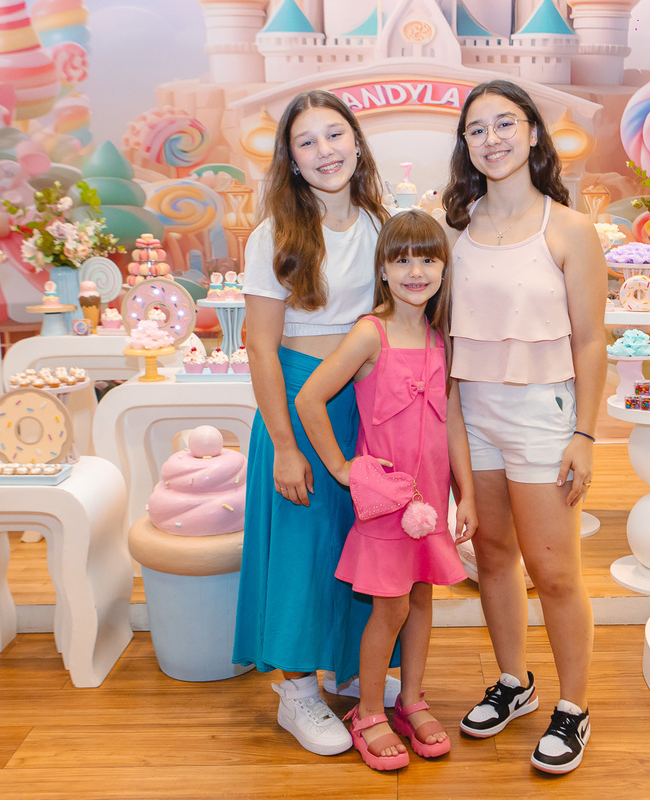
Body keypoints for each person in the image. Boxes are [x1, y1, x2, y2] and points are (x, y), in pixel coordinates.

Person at [441, 79, 605, 774]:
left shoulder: (569, 229)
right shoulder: (454, 231)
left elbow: (591, 341)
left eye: (505, 123)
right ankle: (514, 682)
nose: (493, 139)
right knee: (492, 557)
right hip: (473, 413)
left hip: (544, 416)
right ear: (466, 145)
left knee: (555, 571)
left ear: (533, 132)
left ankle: (574, 707)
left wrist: (585, 435)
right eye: (477, 129)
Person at [233, 89, 396, 756]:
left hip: (366, 400)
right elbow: (261, 347)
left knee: (358, 544)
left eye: (335, 135)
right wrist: (282, 444)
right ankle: (297, 692)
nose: (325, 151)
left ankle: (349, 669)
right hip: (299, 400)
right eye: (307, 141)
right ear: (292, 160)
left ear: (356, 142)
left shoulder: (383, 226)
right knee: (301, 547)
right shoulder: (274, 236)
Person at [295, 210, 477, 772]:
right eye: (402, 260)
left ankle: (411, 700)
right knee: (390, 605)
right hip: (384, 502)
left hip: (431, 501)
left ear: (444, 269)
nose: (415, 272)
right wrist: (342, 467)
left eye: (427, 259)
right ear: (383, 271)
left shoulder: (442, 339)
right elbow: (309, 397)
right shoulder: (369, 333)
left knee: (421, 597)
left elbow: (452, 422)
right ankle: (369, 712)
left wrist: (466, 494)